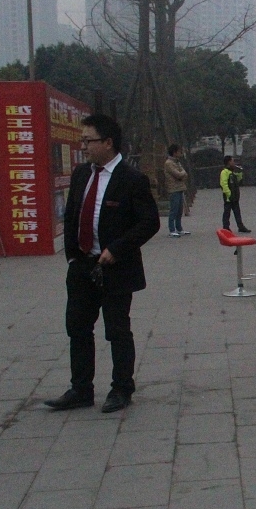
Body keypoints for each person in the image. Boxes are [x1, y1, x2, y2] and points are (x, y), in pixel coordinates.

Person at [45, 113, 160, 414]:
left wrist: (117, 249)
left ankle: (121, 388)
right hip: (82, 265)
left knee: (117, 331)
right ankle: (80, 389)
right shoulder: (82, 174)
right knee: (77, 328)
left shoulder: (131, 179)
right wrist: (73, 255)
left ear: (108, 143)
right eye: (82, 140)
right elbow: (72, 214)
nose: (83, 146)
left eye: (88, 140)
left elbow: (149, 222)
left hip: (115, 267)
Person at [163, 143, 189, 237]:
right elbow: (178, 174)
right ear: (174, 152)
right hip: (173, 189)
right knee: (174, 210)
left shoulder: (177, 162)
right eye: (179, 151)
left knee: (179, 210)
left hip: (180, 187)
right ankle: (172, 229)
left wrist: (182, 174)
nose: (180, 153)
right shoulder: (169, 163)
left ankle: (179, 228)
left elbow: (184, 174)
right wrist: (182, 174)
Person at [220, 155, 250, 232]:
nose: (234, 163)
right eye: (232, 161)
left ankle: (240, 226)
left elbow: (238, 179)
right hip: (229, 197)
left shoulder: (232, 172)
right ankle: (226, 227)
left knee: (237, 212)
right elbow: (224, 184)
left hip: (235, 195)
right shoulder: (225, 172)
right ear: (229, 162)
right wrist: (229, 194)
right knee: (227, 212)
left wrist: (239, 172)